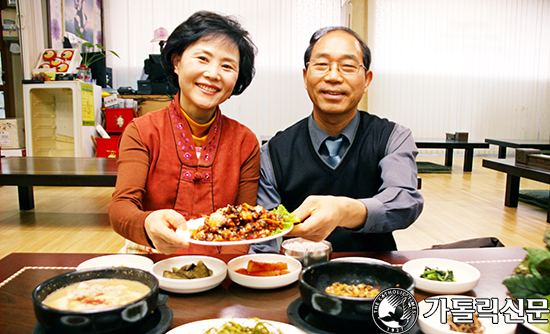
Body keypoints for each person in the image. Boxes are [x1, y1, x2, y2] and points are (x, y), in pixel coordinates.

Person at [253, 27, 423, 253]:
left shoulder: (393, 137)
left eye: (348, 66)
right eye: (322, 65)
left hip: (374, 274)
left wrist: (343, 211)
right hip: (298, 276)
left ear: (366, 80)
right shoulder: (273, 153)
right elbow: (264, 237)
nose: (333, 76)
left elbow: (405, 202)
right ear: (305, 77)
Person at [109, 11, 259, 255]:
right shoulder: (142, 131)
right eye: (202, 58)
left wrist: (222, 274)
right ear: (177, 62)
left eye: (227, 66)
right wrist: (147, 223)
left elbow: (245, 221)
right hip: (152, 259)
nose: (213, 73)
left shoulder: (245, 141)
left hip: (220, 268)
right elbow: (121, 207)